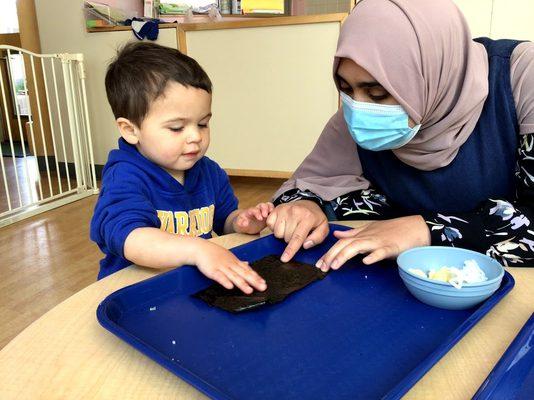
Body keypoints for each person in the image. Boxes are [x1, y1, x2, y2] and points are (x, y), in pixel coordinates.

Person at [267, 0, 534, 271]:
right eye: (346, 89)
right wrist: (306, 207)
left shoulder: (521, 77)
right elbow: (310, 186)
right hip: (401, 283)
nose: (360, 110)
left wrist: (426, 229)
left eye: (378, 94)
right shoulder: (357, 115)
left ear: (429, 75)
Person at [91, 42, 272, 294]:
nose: (195, 137)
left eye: (203, 124)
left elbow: (223, 219)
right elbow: (130, 238)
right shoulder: (125, 175)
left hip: (185, 285)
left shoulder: (208, 171)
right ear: (131, 130)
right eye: (177, 128)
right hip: (135, 291)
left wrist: (241, 222)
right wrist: (198, 250)